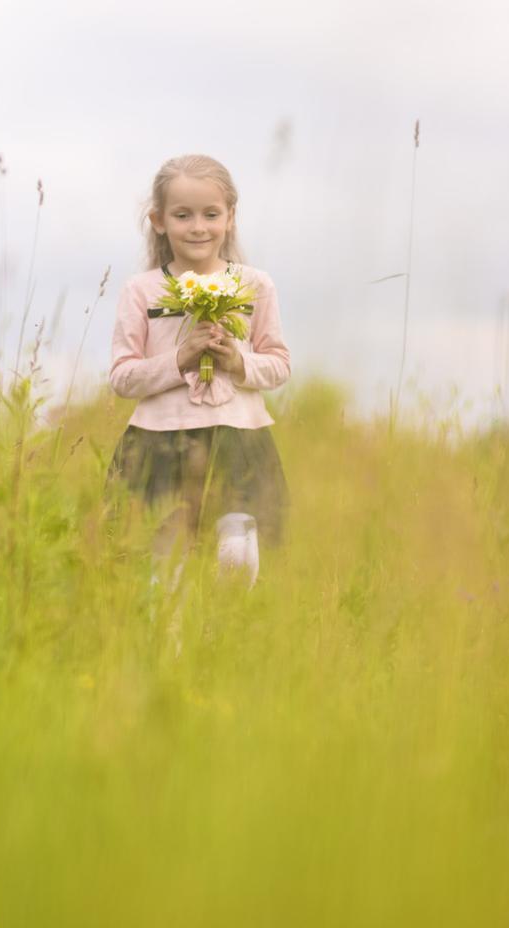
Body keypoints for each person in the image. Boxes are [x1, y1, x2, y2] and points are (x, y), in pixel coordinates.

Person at [103, 153, 291, 603]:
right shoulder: (142, 290)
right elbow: (122, 377)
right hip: (159, 442)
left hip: (237, 439)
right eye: (182, 215)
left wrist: (236, 363)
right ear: (159, 220)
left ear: (230, 217)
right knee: (167, 569)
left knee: (236, 554)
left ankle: (221, 637)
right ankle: (170, 655)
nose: (198, 227)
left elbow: (279, 364)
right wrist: (178, 360)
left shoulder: (254, 284)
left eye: (211, 214)